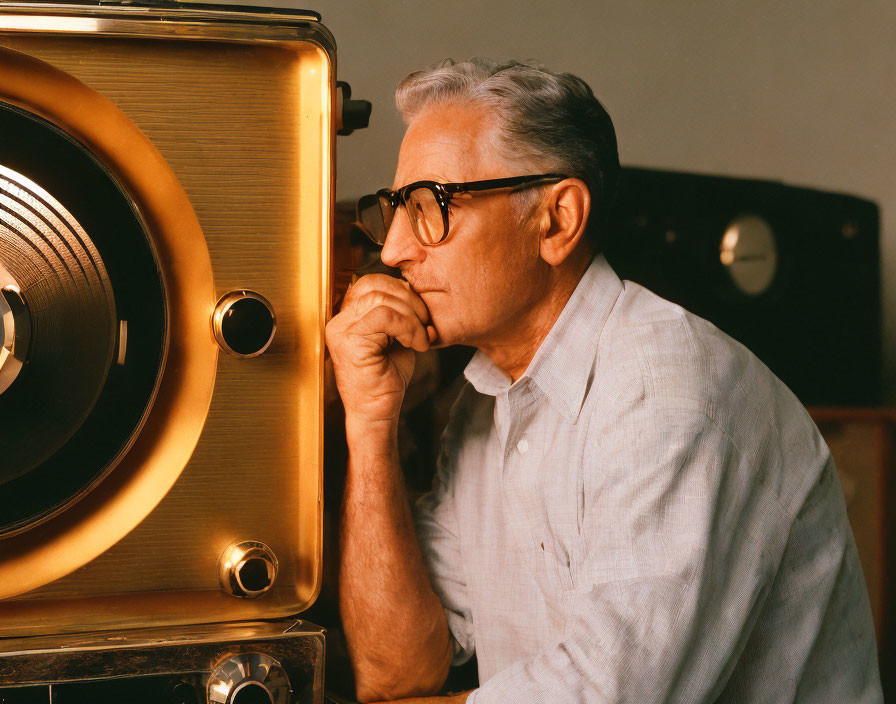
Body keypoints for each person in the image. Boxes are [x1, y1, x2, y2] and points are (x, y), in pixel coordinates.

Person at [325, 58, 882, 703]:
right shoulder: (485, 405)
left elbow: (603, 696)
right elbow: (395, 673)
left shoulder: (668, 386)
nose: (392, 249)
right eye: (393, 208)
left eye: (430, 206)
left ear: (557, 220)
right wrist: (369, 423)